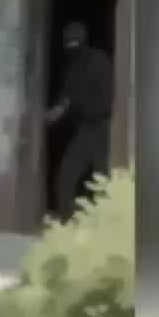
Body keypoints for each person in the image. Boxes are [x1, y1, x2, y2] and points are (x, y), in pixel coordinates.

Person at [46, 21, 115, 220]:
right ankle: (66, 221)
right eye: (68, 45)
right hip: (85, 129)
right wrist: (56, 112)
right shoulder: (72, 67)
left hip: (102, 128)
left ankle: (106, 224)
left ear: (83, 42)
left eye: (75, 44)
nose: (72, 49)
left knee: (102, 181)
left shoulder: (100, 62)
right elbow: (67, 97)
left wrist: (73, 105)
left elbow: (106, 100)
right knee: (66, 176)